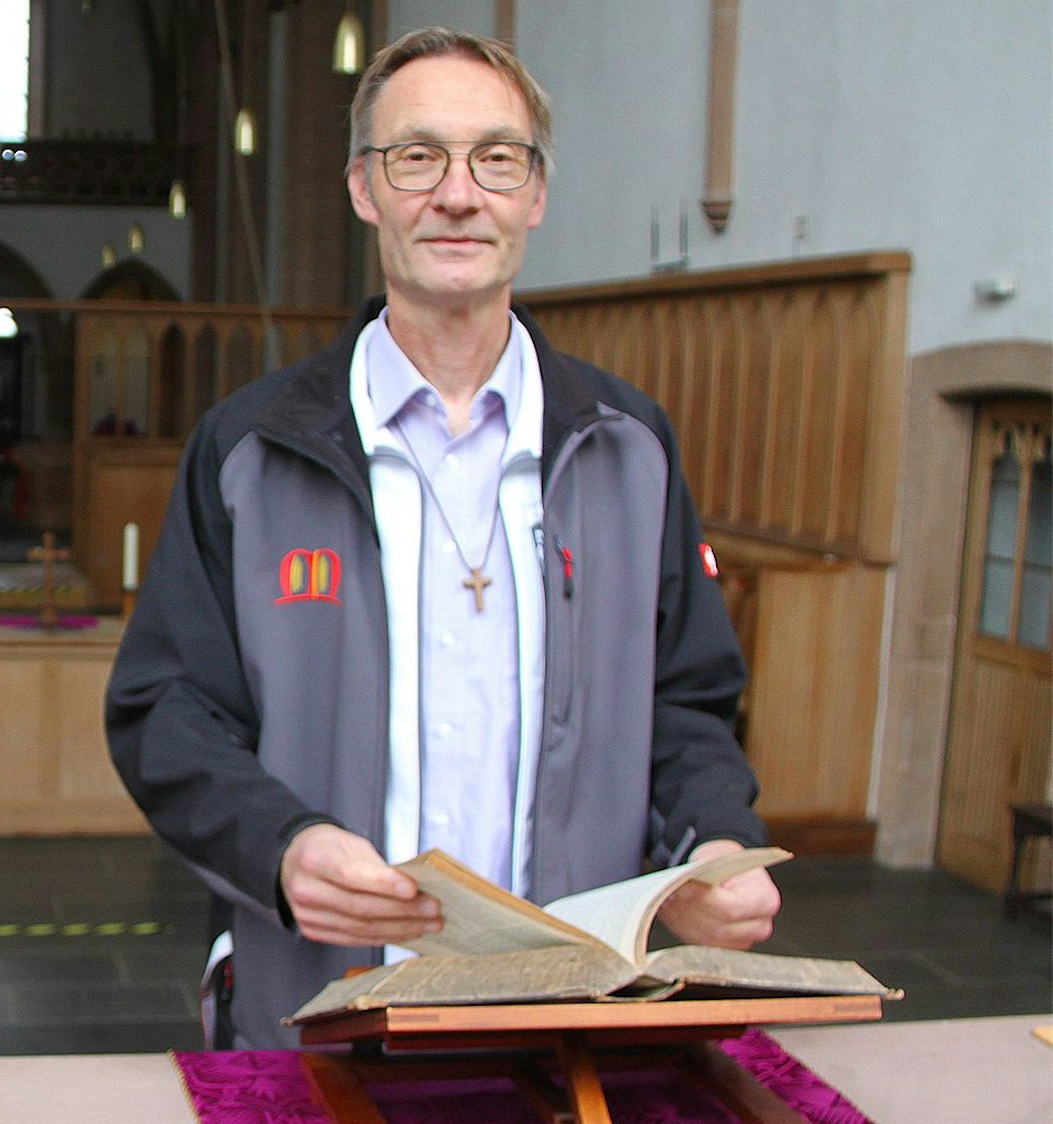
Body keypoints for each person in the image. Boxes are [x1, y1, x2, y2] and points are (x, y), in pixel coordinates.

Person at [104, 27, 780, 1049]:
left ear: (535, 193)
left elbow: (686, 697)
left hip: (572, 1008)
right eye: (416, 155)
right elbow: (166, 705)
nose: (457, 193)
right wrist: (279, 849)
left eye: (495, 157)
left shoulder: (627, 445)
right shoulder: (249, 447)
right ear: (363, 188)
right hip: (322, 1005)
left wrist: (709, 846)